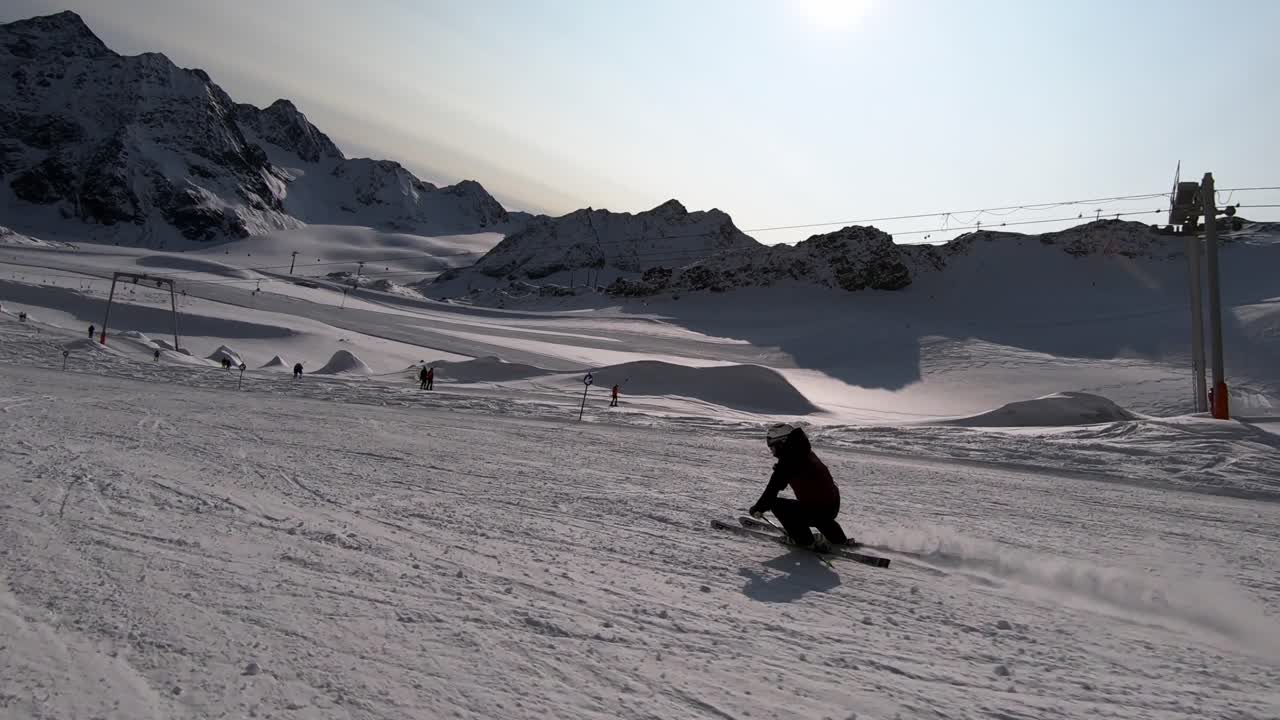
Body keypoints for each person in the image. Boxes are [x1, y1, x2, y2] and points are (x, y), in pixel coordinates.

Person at [748, 423, 849, 550]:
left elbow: (772, 489)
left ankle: (805, 541)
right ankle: (838, 539)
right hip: (831, 505)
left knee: (776, 504)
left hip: (819, 509)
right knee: (815, 508)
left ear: (782, 442)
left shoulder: (789, 460)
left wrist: (759, 508)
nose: (771, 449)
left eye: (772, 445)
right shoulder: (802, 450)